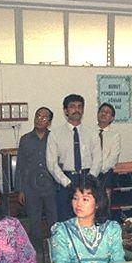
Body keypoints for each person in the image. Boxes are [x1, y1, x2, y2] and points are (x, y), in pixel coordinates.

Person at [46, 94, 98, 222]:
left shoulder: (92, 133)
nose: (77, 110)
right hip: (66, 181)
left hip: (87, 178)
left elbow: (98, 159)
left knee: (87, 219)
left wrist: (90, 178)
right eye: (73, 107)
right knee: (66, 221)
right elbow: (51, 163)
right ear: (65, 110)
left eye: (80, 107)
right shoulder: (55, 134)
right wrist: (67, 183)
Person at [16, 107, 57, 254]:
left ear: (49, 122)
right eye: (38, 116)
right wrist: (20, 189)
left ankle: (55, 251)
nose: (40, 119)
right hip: (30, 187)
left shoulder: (54, 138)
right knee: (34, 222)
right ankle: (37, 254)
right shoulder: (25, 139)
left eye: (44, 117)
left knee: (54, 220)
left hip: (51, 186)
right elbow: (20, 165)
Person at [90, 102, 121, 188]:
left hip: (106, 173)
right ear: (97, 114)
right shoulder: (89, 132)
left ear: (112, 118)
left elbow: (114, 156)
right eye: (102, 111)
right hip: (89, 172)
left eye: (107, 112)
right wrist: (92, 171)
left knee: (104, 195)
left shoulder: (115, 135)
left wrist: (99, 169)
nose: (103, 114)